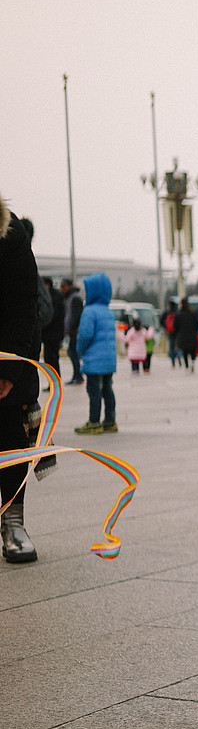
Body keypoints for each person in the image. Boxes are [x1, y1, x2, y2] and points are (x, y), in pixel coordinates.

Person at [0, 194, 42, 562]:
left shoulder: (9, 234)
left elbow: (24, 303)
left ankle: (13, 520)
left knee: (9, 433)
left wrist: (8, 369)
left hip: (5, 354)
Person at [73, 272, 119, 434]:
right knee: (107, 389)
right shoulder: (107, 311)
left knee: (94, 391)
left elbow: (85, 334)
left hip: (94, 359)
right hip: (108, 360)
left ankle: (94, 422)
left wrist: (79, 350)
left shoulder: (89, 311)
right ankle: (110, 420)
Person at [40, 276, 64, 380]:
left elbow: (52, 316)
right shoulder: (54, 296)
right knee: (50, 360)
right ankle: (53, 382)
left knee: (52, 359)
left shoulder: (52, 298)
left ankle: (55, 382)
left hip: (53, 334)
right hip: (51, 334)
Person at [60, 278, 84, 384]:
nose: (62, 289)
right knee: (72, 353)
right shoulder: (69, 297)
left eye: (63, 286)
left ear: (69, 286)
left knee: (73, 353)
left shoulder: (75, 298)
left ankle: (78, 376)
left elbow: (76, 316)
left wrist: (72, 327)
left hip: (75, 331)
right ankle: (77, 375)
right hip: (72, 330)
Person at [173, 298, 198, 372]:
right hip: (192, 335)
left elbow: (175, 326)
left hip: (182, 336)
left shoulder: (178, 314)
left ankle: (186, 366)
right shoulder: (193, 313)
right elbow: (197, 325)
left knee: (185, 351)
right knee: (192, 351)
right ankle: (192, 362)